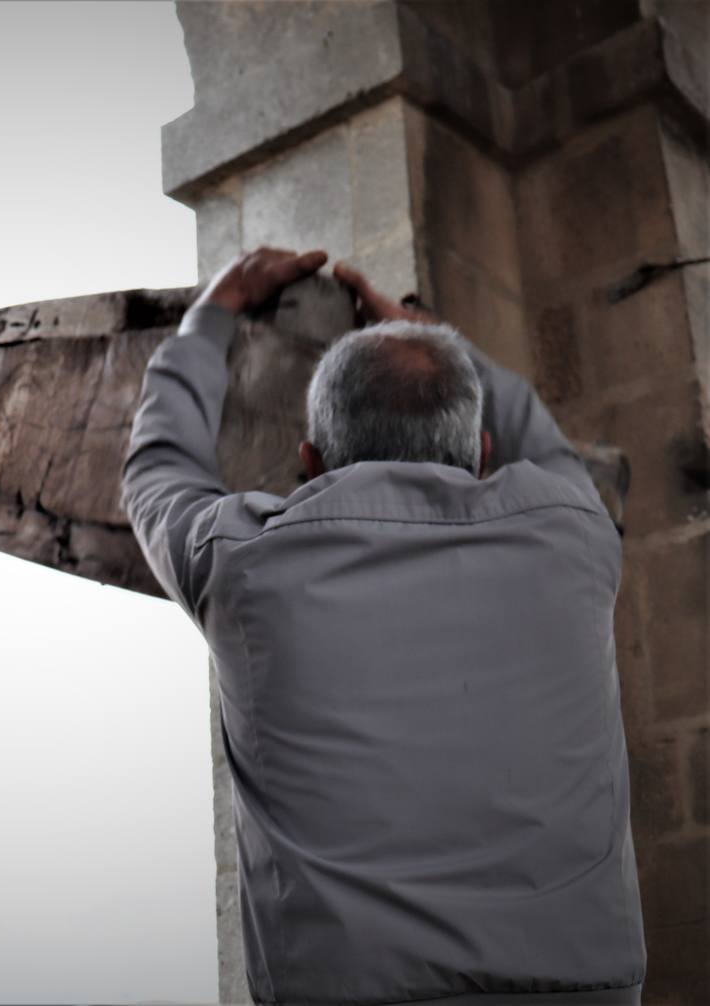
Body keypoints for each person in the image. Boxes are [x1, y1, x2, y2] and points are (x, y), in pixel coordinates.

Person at [120, 248, 646, 1006]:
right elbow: (545, 443)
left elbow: (156, 472)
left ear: (309, 461)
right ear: (483, 453)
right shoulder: (575, 533)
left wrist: (211, 315)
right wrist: (437, 342)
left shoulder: (242, 561)